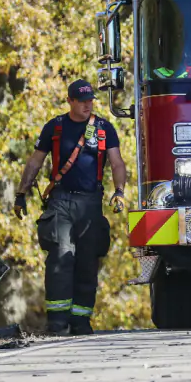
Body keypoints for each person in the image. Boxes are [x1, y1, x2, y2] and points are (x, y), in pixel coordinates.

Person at [13, 79, 128, 335]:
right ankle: (57, 321)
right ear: (70, 101)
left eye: (90, 101)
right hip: (61, 201)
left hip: (91, 203)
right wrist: (21, 193)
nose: (88, 105)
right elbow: (35, 162)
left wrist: (119, 192)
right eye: (82, 100)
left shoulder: (103, 128)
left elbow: (117, 163)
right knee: (60, 259)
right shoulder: (54, 127)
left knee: (87, 262)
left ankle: (81, 320)